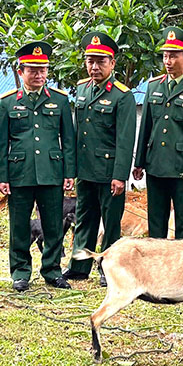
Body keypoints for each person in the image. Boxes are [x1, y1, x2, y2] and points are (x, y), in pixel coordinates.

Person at [0, 41, 76, 292]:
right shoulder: (8, 102)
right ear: (21, 72)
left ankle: (52, 270)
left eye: (43, 70)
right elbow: (1, 143)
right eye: (32, 70)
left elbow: (68, 139)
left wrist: (69, 172)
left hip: (51, 172)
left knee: (53, 224)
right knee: (19, 225)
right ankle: (20, 272)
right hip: (20, 173)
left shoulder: (60, 101)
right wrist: (2, 176)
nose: (39, 75)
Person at [62, 31, 135, 287]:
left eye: (100, 61)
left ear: (112, 63)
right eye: (90, 61)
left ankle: (109, 268)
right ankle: (79, 266)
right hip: (85, 170)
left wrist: (119, 175)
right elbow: (75, 133)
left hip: (108, 171)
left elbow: (126, 140)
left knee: (111, 222)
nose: (94, 66)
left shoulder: (122, 95)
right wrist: (71, 170)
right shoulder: (82, 89)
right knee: (84, 218)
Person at [132, 26, 183, 239]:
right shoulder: (153, 86)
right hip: (155, 164)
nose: (168, 61)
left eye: (173, 56)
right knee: (155, 220)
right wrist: (139, 162)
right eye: (165, 56)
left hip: (182, 168)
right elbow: (146, 127)